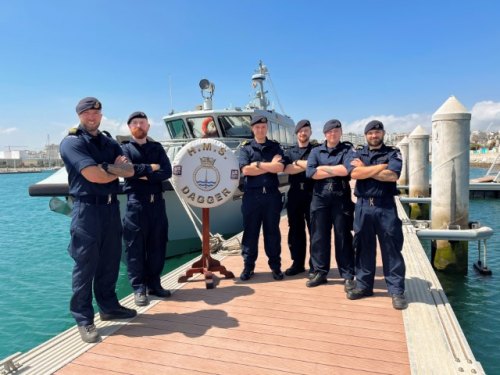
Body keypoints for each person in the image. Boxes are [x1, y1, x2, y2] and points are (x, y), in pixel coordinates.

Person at [59, 97, 137, 343]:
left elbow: (130, 171)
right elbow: (93, 176)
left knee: (110, 261)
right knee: (85, 266)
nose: (92, 117)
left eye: (96, 112)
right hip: (86, 211)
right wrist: (110, 168)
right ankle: (84, 319)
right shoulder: (71, 142)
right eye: (87, 113)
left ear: (101, 115)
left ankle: (109, 307)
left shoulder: (109, 141)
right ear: (79, 115)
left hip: (110, 209)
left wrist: (107, 168)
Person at [347, 120, 408, 310]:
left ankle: (396, 290)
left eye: (377, 132)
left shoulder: (393, 153)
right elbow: (354, 174)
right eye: (370, 133)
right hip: (363, 206)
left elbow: (392, 176)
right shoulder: (357, 152)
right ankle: (364, 286)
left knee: (391, 248)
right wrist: (382, 167)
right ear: (366, 135)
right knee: (363, 247)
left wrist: (365, 169)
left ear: (383, 133)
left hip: (385, 206)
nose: (374, 136)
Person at [121, 111, 172, 307]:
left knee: (158, 245)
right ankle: (138, 288)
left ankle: (154, 284)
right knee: (135, 247)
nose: (139, 125)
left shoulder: (157, 148)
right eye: (135, 123)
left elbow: (166, 172)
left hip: (157, 203)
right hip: (137, 204)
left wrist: (141, 172)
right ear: (130, 127)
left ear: (148, 126)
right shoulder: (124, 149)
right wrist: (152, 168)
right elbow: (127, 172)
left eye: (142, 122)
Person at [305, 119, 356, 290]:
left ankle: (348, 275)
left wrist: (324, 168)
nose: (332, 134)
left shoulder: (348, 150)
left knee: (343, 236)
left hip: (341, 195)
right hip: (320, 197)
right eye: (329, 131)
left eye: (336, 131)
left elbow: (347, 170)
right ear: (325, 134)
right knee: (319, 236)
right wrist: (336, 169)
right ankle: (320, 272)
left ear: (340, 132)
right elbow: (311, 173)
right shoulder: (316, 151)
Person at [238, 114, 287, 281]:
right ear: (252, 129)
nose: (260, 129)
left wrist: (257, 165)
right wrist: (269, 166)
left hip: (271, 196)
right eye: (257, 127)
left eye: (263, 127)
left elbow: (280, 167)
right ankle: (248, 267)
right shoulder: (246, 148)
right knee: (250, 233)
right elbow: (245, 170)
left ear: (267, 128)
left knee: (272, 233)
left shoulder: (275, 147)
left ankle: (275, 267)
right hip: (252, 196)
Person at [283, 119, 316, 276]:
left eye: (306, 130)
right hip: (295, 194)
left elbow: (315, 166)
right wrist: (307, 165)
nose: (303, 133)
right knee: (295, 230)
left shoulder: (317, 150)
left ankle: (315, 265)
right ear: (296, 133)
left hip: (313, 194)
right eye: (301, 130)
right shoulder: (289, 152)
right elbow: (287, 169)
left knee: (314, 231)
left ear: (310, 132)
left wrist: (297, 164)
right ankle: (297, 263)